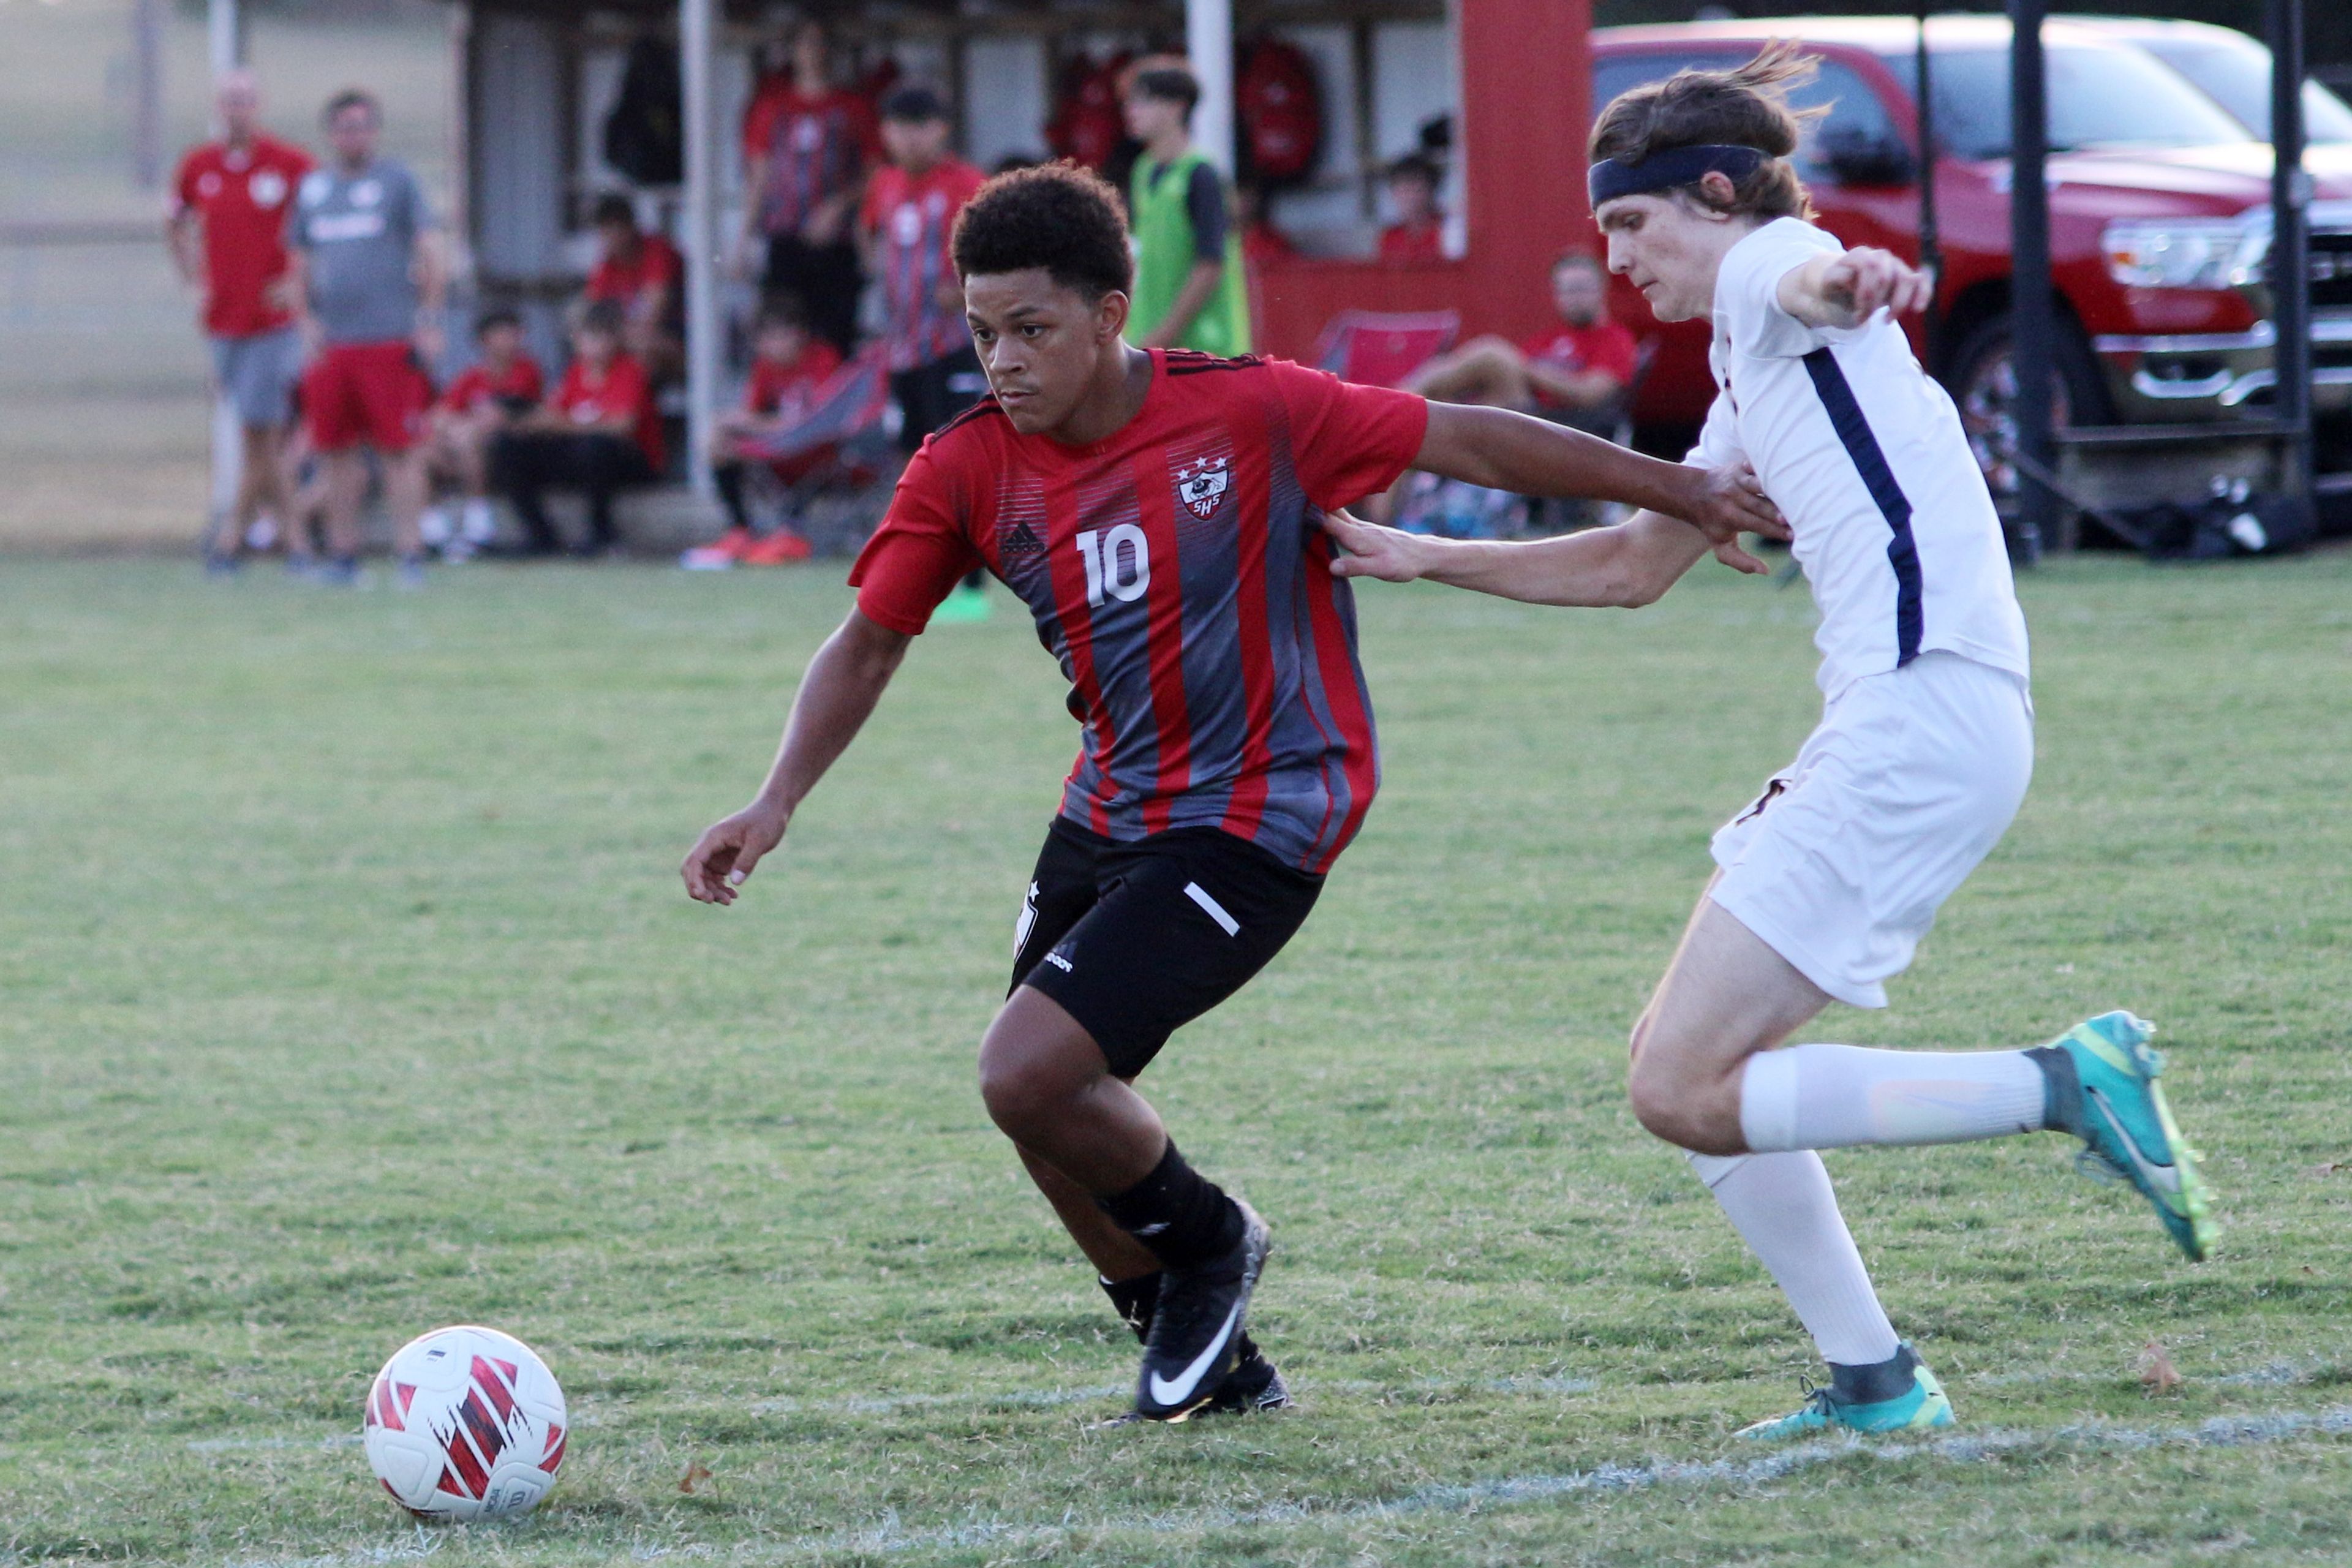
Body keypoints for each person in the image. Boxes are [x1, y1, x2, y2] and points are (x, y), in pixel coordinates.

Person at [678, 162, 1781, 1425]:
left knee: (1024, 1070)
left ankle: (1212, 1245)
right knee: (1049, 1109)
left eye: (1031, 329)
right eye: (982, 331)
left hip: (1267, 809)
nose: (1003, 361)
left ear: (1111, 312)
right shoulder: (966, 468)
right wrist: (775, 801)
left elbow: (1471, 434)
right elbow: (868, 639)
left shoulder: (1256, 410)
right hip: (1110, 807)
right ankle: (1217, 1368)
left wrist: (1683, 487)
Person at [1320, 44, 2213, 1442]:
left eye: (1630, 222)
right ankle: (1873, 1378)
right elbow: (1630, 562)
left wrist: (1848, 279)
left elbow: (1806, 275)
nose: (1615, 256)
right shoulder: (1741, 363)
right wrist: (1418, 556)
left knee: (1679, 1082)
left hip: (1916, 716)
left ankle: (2060, 1080)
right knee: (1685, 1071)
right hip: (1923, 717)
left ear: (1716, 193)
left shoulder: (1763, 271)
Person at [285, 88, 444, 589]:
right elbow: (297, 263)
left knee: (400, 451)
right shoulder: (313, 190)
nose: (352, 136)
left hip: (389, 341)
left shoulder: (397, 183)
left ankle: (411, 555)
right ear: (330, 134)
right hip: (335, 346)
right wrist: (305, 322)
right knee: (336, 454)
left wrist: (429, 317)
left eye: (361, 126)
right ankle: (343, 556)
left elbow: (430, 250)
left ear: (374, 132)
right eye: (343, 127)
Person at [168, 70, 314, 575]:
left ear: (261, 105)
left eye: (247, 100)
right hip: (222, 321)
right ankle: (292, 542)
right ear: (217, 107)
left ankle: (237, 541)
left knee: (262, 430)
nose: (238, 109)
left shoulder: (290, 163)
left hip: (271, 321)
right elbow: (175, 222)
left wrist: (298, 278)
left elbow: (317, 226)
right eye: (230, 100)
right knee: (260, 436)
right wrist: (193, 279)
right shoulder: (198, 166)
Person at [861, 84, 991, 622]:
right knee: (913, 467)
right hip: (904, 351)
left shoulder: (968, 185)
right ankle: (922, 580)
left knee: (960, 465)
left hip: (956, 347)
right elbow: (870, 238)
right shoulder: (886, 185)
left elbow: (999, 254)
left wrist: (966, 292)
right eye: (897, 126)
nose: (907, 138)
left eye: (919, 125)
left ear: (941, 128)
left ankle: (974, 588)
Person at [739, 18, 878, 356]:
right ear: (793, 52)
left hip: (838, 241)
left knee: (835, 336)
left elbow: (876, 173)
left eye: (820, 45)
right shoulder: (771, 107)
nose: (813, 53)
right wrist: (744, 239)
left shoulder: (853, 107)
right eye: (805, 44)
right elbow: (759, 176)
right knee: (782, 334)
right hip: (785, 240)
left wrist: (839, 206)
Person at [489, 300, 662, 557]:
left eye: (599, 336)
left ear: (615, 339)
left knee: (597, 447)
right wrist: (524, 423)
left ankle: (602, 533)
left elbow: (622, 426)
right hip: (582, 459)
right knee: (509, 446)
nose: (591, 344)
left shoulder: (630, 371)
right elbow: (553, 414)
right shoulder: (575, 372)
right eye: (585, 336)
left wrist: (563, 424)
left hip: (631, 463)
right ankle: (541, 535)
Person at [1406, 252, 1640, 435]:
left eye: (1580, 289)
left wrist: (1527, 370)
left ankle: (1399, 400)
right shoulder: (1550, 338)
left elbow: (1589, 395)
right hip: (1513, 414)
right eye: (1566, 291)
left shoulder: (1615, 339)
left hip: (1557, 427)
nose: (1573, 298)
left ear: (1601, 290)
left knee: (1493, 354)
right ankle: (1407, 405)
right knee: (1429, 416)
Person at [687, 298, 844, 568]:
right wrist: (734, 424)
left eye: (783, 334)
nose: (775, 343)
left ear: (801, 334)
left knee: (728, 429)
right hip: (779, 453)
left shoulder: (823, 359)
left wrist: (754, 424)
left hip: (819, 456)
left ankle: (789, 532)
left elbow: (814, 422)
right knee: (717, 441)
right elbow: (755, 414)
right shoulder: (765, 367)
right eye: (768, 336)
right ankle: (740, 530)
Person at [1121, 65, 1250, 355]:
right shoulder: (1143, 170)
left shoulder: (1201, 174)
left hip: (1203, 346)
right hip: (1150, 338)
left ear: (1176, 108)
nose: (1132, 111)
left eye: (1143, 101)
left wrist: (1166, 331)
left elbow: (1211, 264)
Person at [423, 308, 543, 560]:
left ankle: (478, 525)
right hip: (463, 451)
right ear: (483, 341)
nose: (507, 341)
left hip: (511, 452)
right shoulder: (471, 377)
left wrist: (465, 428)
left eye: (512, 334)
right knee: (426, 449)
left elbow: (507, 414)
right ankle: (434, 531)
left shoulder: (527, 371)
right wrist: (451, 430)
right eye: (499, 335)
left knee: (470, 437)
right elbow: (440, 415)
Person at [584, 194, 684, 384]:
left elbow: (652, 316)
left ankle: (633, 408)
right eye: (604, 232)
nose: (608, 239)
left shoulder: (657, 251)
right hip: (630, 338)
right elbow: (593, 318)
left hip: (679, 340)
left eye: (614, 230)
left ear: (629, 227)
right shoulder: (607, 266)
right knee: (594, 348)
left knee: (642, 349)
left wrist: (612, 335)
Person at [1375, 153, 1445, 265]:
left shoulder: (1448, 233)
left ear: (1432, 190)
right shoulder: (1390, 238)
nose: (1410, 197)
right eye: (1403, 190)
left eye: (1416, 189)